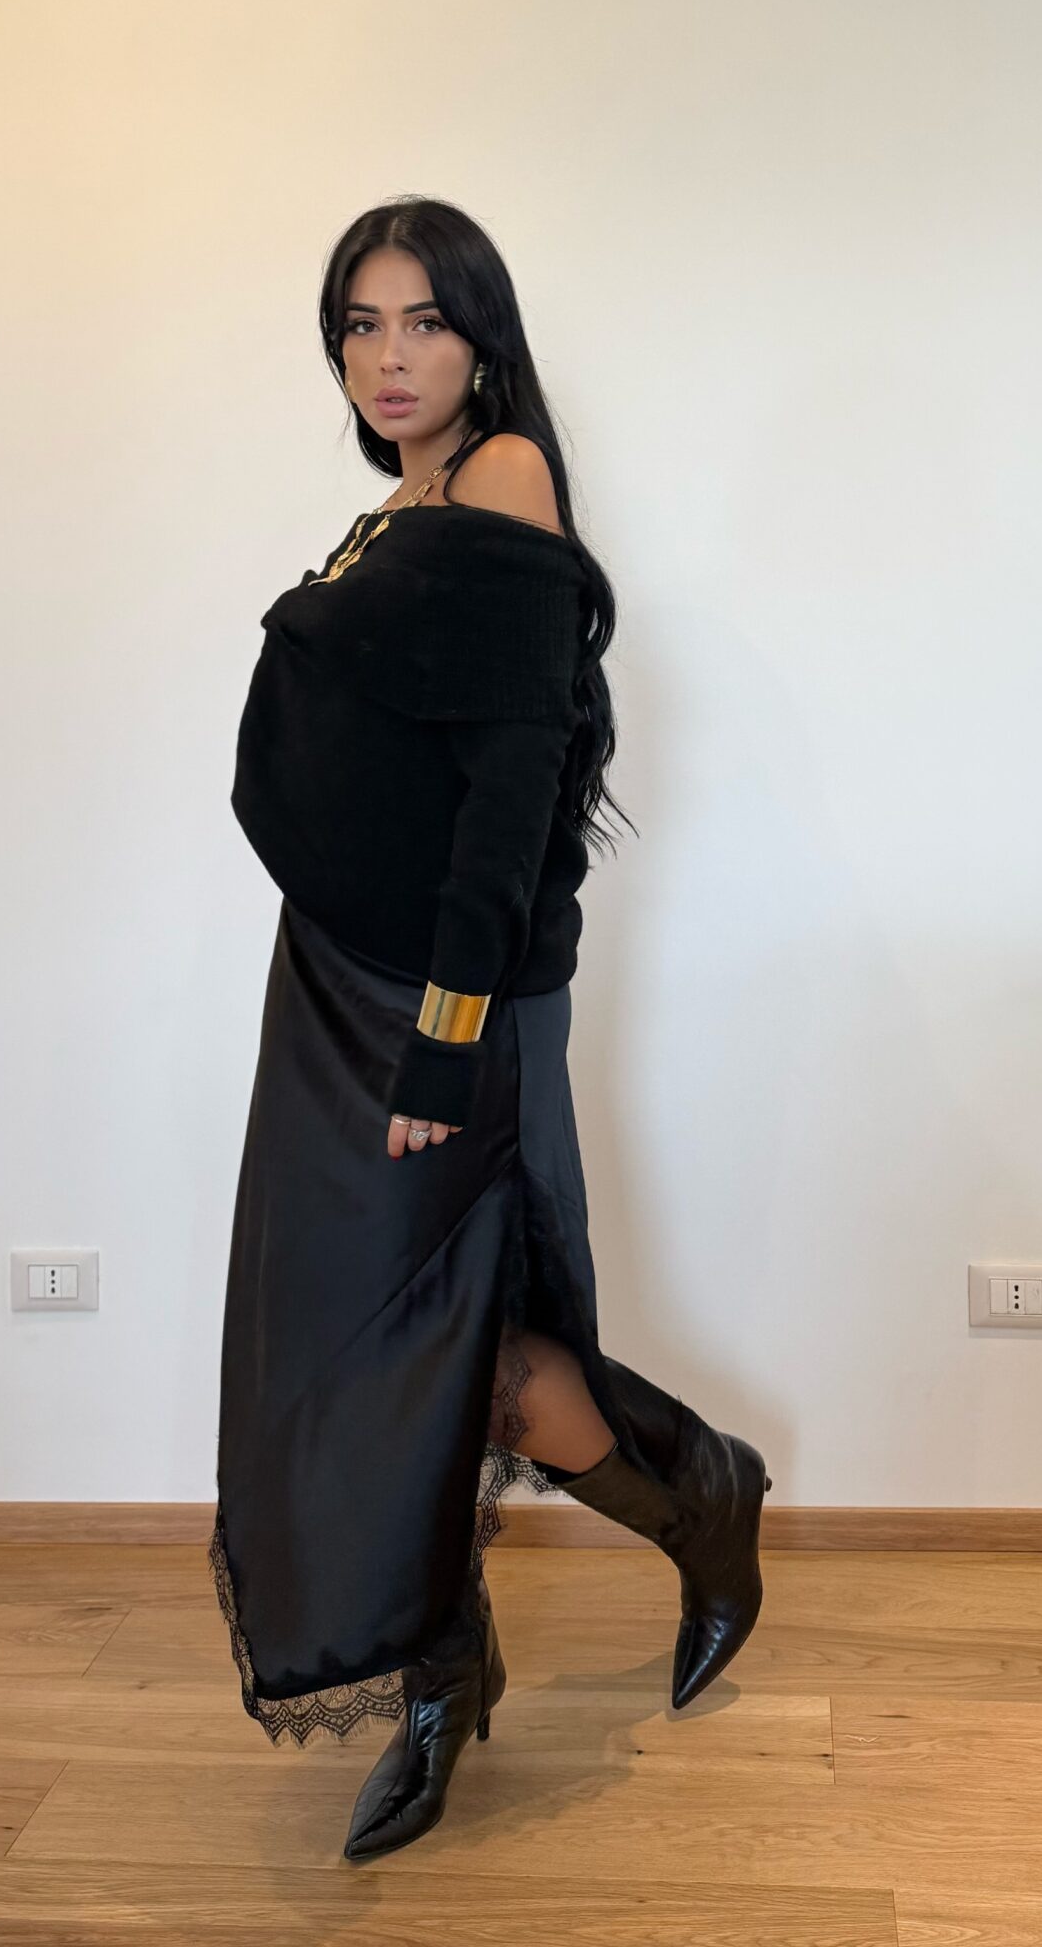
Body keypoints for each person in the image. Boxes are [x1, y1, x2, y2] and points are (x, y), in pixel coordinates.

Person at [208, 195, 772, 1863]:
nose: (390, 356)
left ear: (483, 337)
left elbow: (515, 787)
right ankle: (450, 1669)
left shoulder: (504, 475)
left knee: (454, 1344)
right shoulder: (398, 508)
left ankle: (693, 1507)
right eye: (360, 324)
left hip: (435, 1000)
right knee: (367, 1340)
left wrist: (449, 1030)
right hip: (334, 986)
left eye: (425, 321)